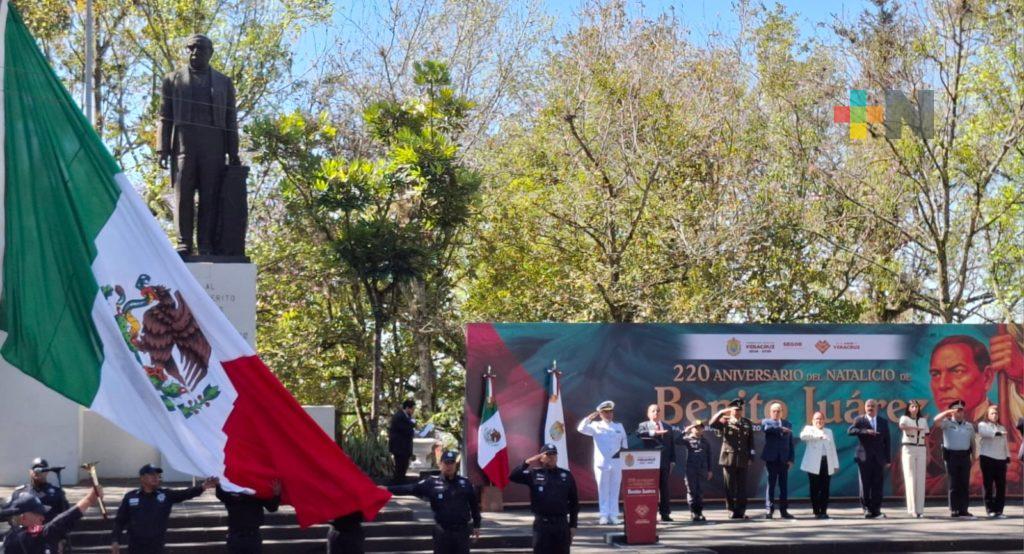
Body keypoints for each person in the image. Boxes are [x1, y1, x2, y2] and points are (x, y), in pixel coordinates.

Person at [157, 34, 241, 256]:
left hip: (214, 145)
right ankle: (184, 242)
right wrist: (162, 149)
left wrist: (233, 152)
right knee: (183, 195)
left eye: (200, 49)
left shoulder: (224, 82)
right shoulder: (172, 79)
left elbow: (231, 119)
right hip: (183, 145)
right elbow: (165, 117)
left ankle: (205, 244)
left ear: (210, 53)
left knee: (210, 196)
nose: (195, 53)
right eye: (191, 48)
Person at [111, 464, 218, 553]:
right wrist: (115, 540)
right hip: (136, 548)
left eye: (157, 475)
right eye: (152, 474)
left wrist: (202, 487)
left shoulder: (165, 495)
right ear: (142, 478)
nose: (156, 477)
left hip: (157, 547)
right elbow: (119, 520)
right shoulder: (131, 497)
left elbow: (185, 493)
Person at [389, 450, 481, 553]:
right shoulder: (432, 483)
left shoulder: (465, 483)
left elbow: (474, 505)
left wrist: (477, 525)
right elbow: (411, 488)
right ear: (440, 464)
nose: (449, 466)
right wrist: (388, 489)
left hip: (462, 531)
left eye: (452, 463)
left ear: (455, 465)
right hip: (443, 531)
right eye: (446, 463)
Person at [509, 443, 578, 554]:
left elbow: (574, 502)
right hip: (542, 524)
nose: (551, 457)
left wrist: (573, 525)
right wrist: (528, 462)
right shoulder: (534, 474)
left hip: (561, 524)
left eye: (554, 454)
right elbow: (513, 476)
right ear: (541, 458)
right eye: (548, 454)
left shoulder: (566, 475)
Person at [3, 487, 102, 553]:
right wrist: (88, 500)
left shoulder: (28, 536)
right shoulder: (17, 538)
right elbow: (54, 526)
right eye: (37, 513)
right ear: (23, 517)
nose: (42, 518)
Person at [576, 400, 628, 525]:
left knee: (615, 489)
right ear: (600, 414)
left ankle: (614, 515)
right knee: (603, 489)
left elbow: (624, 443)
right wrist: (588, 419)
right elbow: (580, 429)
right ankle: (604, 515)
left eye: (610, 412)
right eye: (605, 412)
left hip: (616, 462)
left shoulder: (619, 426)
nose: (609, 414)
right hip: (602, 463)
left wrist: (624, 459)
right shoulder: (595, 425)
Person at [709, 398, 755, 519]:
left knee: (742, 487)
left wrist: (751, 456)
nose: (737, 412)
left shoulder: (747, 422)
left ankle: (741, 512)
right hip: (728, 458)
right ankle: (731, 510)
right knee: (729, 487)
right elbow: (712, 424)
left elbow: (751, 441)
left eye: (739, 410)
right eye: (735, 410)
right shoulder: (725, 421)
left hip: (743, 458)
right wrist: (721, 412)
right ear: (730, 410)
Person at [636, 404, 682, 521]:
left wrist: (673, 460)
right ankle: (649, 514)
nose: (656, 413)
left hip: (664, 462)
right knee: (650, 488)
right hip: (649, 463)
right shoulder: (643, 425)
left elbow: (671, 445)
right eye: (653, 411)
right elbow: (639, 434)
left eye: (658, 411)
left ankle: (665, 513)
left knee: (664, 488)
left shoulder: (668, 427)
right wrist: (654, 433)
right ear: (648, 413)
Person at [848, 398, 891, 518]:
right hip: (863, 457)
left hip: (879, 458)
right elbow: (850, 431)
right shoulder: (860, 419)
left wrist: (888, 459)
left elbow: (887, 441)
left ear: (877, 408)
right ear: (865, 408)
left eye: (873, 406)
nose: (870, 408)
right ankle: (866, 509)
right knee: (865, 484)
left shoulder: (883, 421)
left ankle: (876, 510)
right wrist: (865, 431)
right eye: (868, 406)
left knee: (878, 484)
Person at [934, 400, 976, 518]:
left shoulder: (969, 426)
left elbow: (973, 442)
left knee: (964, 483)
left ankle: (964, 509)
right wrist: (947, 412)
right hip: (951, 456)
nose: (959, 413)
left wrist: (974, 456)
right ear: (952, 412)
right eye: (957, 411)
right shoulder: (947, 423)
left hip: (965, 456)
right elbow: (935, 420)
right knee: (954, 484)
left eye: (961, 410)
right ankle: (954, 509)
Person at [215, 480, 281, 553]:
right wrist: (218, 484)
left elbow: (272, 508)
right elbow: (220, 494)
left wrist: (276, 494)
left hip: (253, 536)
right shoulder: (232, 492)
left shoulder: (257, 493)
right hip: (235, 535)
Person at [799, 411, 838, 519]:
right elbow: (803, 436)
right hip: (813, 464)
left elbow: (833, 448)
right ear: (813, 421)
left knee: (825, 488)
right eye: (817, 419)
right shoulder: (809, 429)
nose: (819, 421)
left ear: (824, 421)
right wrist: (818, 435)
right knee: (814, 488)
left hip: (827, 462)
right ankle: (816, 511)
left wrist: (835, 464)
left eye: (821, 419)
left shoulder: (828, 431)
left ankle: (824, 511)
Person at [760, 402, 795, 519]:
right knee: (771, 485)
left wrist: (791, 459)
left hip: (784, 460)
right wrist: (780, 429)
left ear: (782, 412)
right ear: (770, 412)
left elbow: (791, 443)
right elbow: (767, 430)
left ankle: (784, 511)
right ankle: (769, 510)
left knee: (783, 486)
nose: (776, 413)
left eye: (778, 411)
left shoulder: (788, 424)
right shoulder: (766, 422)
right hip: (771, 459)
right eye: (774, 411)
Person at [976, 404, 1010, 518]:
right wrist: (997, 433)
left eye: (996, 413)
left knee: (1001, 486)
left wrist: (1007, 455)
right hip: (987, 458)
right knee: (988, 485)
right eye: (992, 413)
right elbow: (984, 433)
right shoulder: (983, 425)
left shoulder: (1002, 428)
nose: (995, 415)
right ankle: (990, 509)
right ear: (987, 415)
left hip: (1001, 459)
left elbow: (1005, 444)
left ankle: (999, 510)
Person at [899, 399, 929, 518]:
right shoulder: (904, 418)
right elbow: (902, 426)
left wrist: (928, 452)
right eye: (912, 406)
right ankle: (912, 509)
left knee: (920, 479)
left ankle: (920, 509)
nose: (915, 408)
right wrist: (914, 428)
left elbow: (927, 435)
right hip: (909, 448)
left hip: (921, 448)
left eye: (916, 406)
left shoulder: (923, 420)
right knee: (910, 478)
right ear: (908, 408)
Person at [680, 420, 712, 522]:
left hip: (702, 469)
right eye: (696, 427)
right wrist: (685, 431)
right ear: (692, 429)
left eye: (700, 428)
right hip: (690, 469)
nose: (698, 429)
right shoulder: (687, 439)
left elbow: (709, 456)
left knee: (700, 491)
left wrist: (710, 470)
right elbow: (677, 441)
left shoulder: (705, 441)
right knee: (691, 491)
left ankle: (699, 512)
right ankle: (693, 512)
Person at [389, 399, 417, 485]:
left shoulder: (406, 416)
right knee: (399, 468)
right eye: (412, 409)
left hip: (405, 448)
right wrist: (413, 425)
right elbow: (405, 430)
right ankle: (397, 485)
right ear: (407, 408)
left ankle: (401, 484)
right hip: (399, 447)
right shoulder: (399, 416)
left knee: (403, 468)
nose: (413, 411)